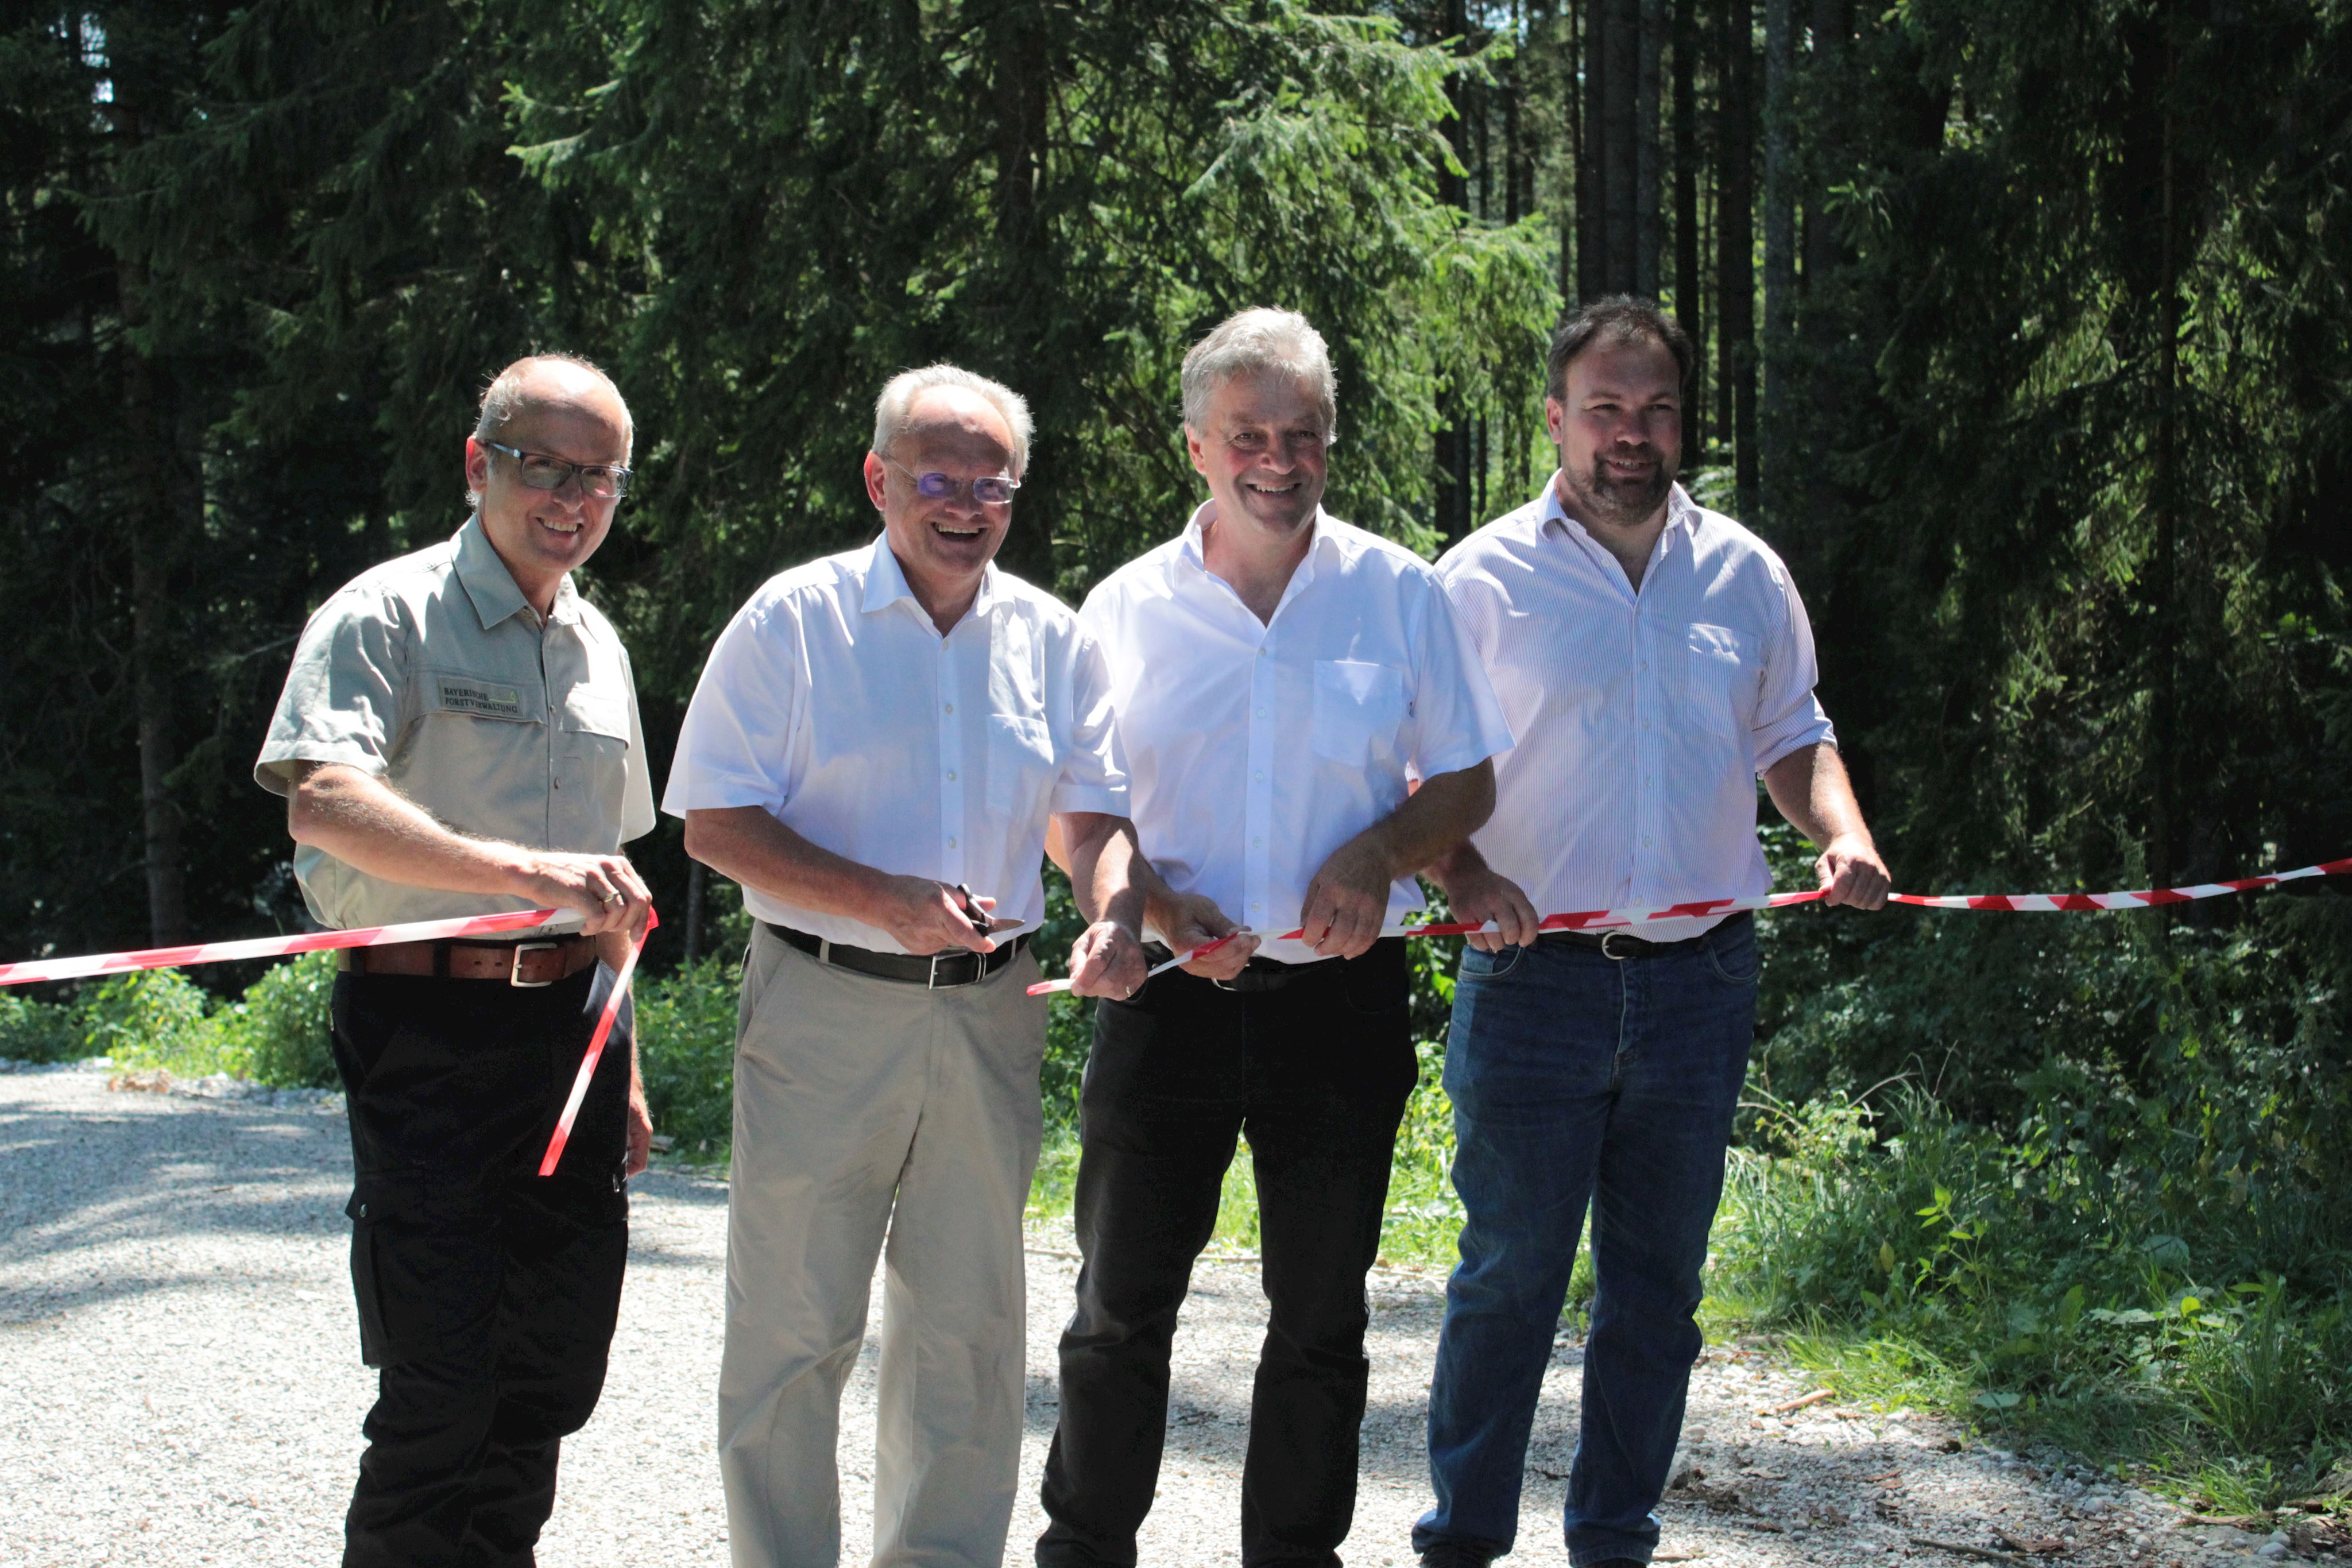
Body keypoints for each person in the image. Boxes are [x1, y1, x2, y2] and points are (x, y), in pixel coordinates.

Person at [1409, 296, 1893, 1568]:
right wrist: (1457, 874)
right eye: (1605, 409)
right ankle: (1460, 1542)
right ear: (1556, 419)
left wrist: (1838, 831)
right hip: (1530, 987)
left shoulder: (1743, 571)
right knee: (1507, 1281)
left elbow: (1792, 736)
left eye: (1656, 408)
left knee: (1656, 1294)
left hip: (1698, 989)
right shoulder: (1477, 580)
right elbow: (1408, 769)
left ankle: (1612, 1540)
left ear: (1684, 419)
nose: (1631, 433)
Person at [1036, 308, 1515, 1568]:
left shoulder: (1398, 591)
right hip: (1166, 998)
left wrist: (1378, 855)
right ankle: (1083, 1551)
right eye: (1247, 432)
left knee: (1318, 1317)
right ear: (1195, 444)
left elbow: (1462, 786)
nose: (1277, 457)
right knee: (1117, 1308)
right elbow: (1085, 812)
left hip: (1335, 1005)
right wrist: (1133, 909)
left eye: (1301, 432)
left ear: (1328, 441)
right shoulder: (1125, 606)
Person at [667, 364, 1155, 1568]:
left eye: (992, 482)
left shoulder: (1050, 636)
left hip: (991, 1016)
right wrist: (882, 899)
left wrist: (1113, 914)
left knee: (967, 1331)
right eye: (937, 476)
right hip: (823, 1003)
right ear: (878, 479)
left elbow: (1090, 819)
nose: (965, 504)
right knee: (792, 1326)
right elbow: (712, 823)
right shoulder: (793, 621)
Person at [254, 353, 660, 1567]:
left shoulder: (598, 646)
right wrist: (520, 871)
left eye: (601, 477)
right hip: (427, 1029)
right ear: (479, 462)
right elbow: (322, 802)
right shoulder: (386, 613)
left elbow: (613, 891)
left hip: (569, 1035)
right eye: (546, 465)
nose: (573, 498)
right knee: (442, 1380)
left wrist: (622, 1065)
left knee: (547, 1371)